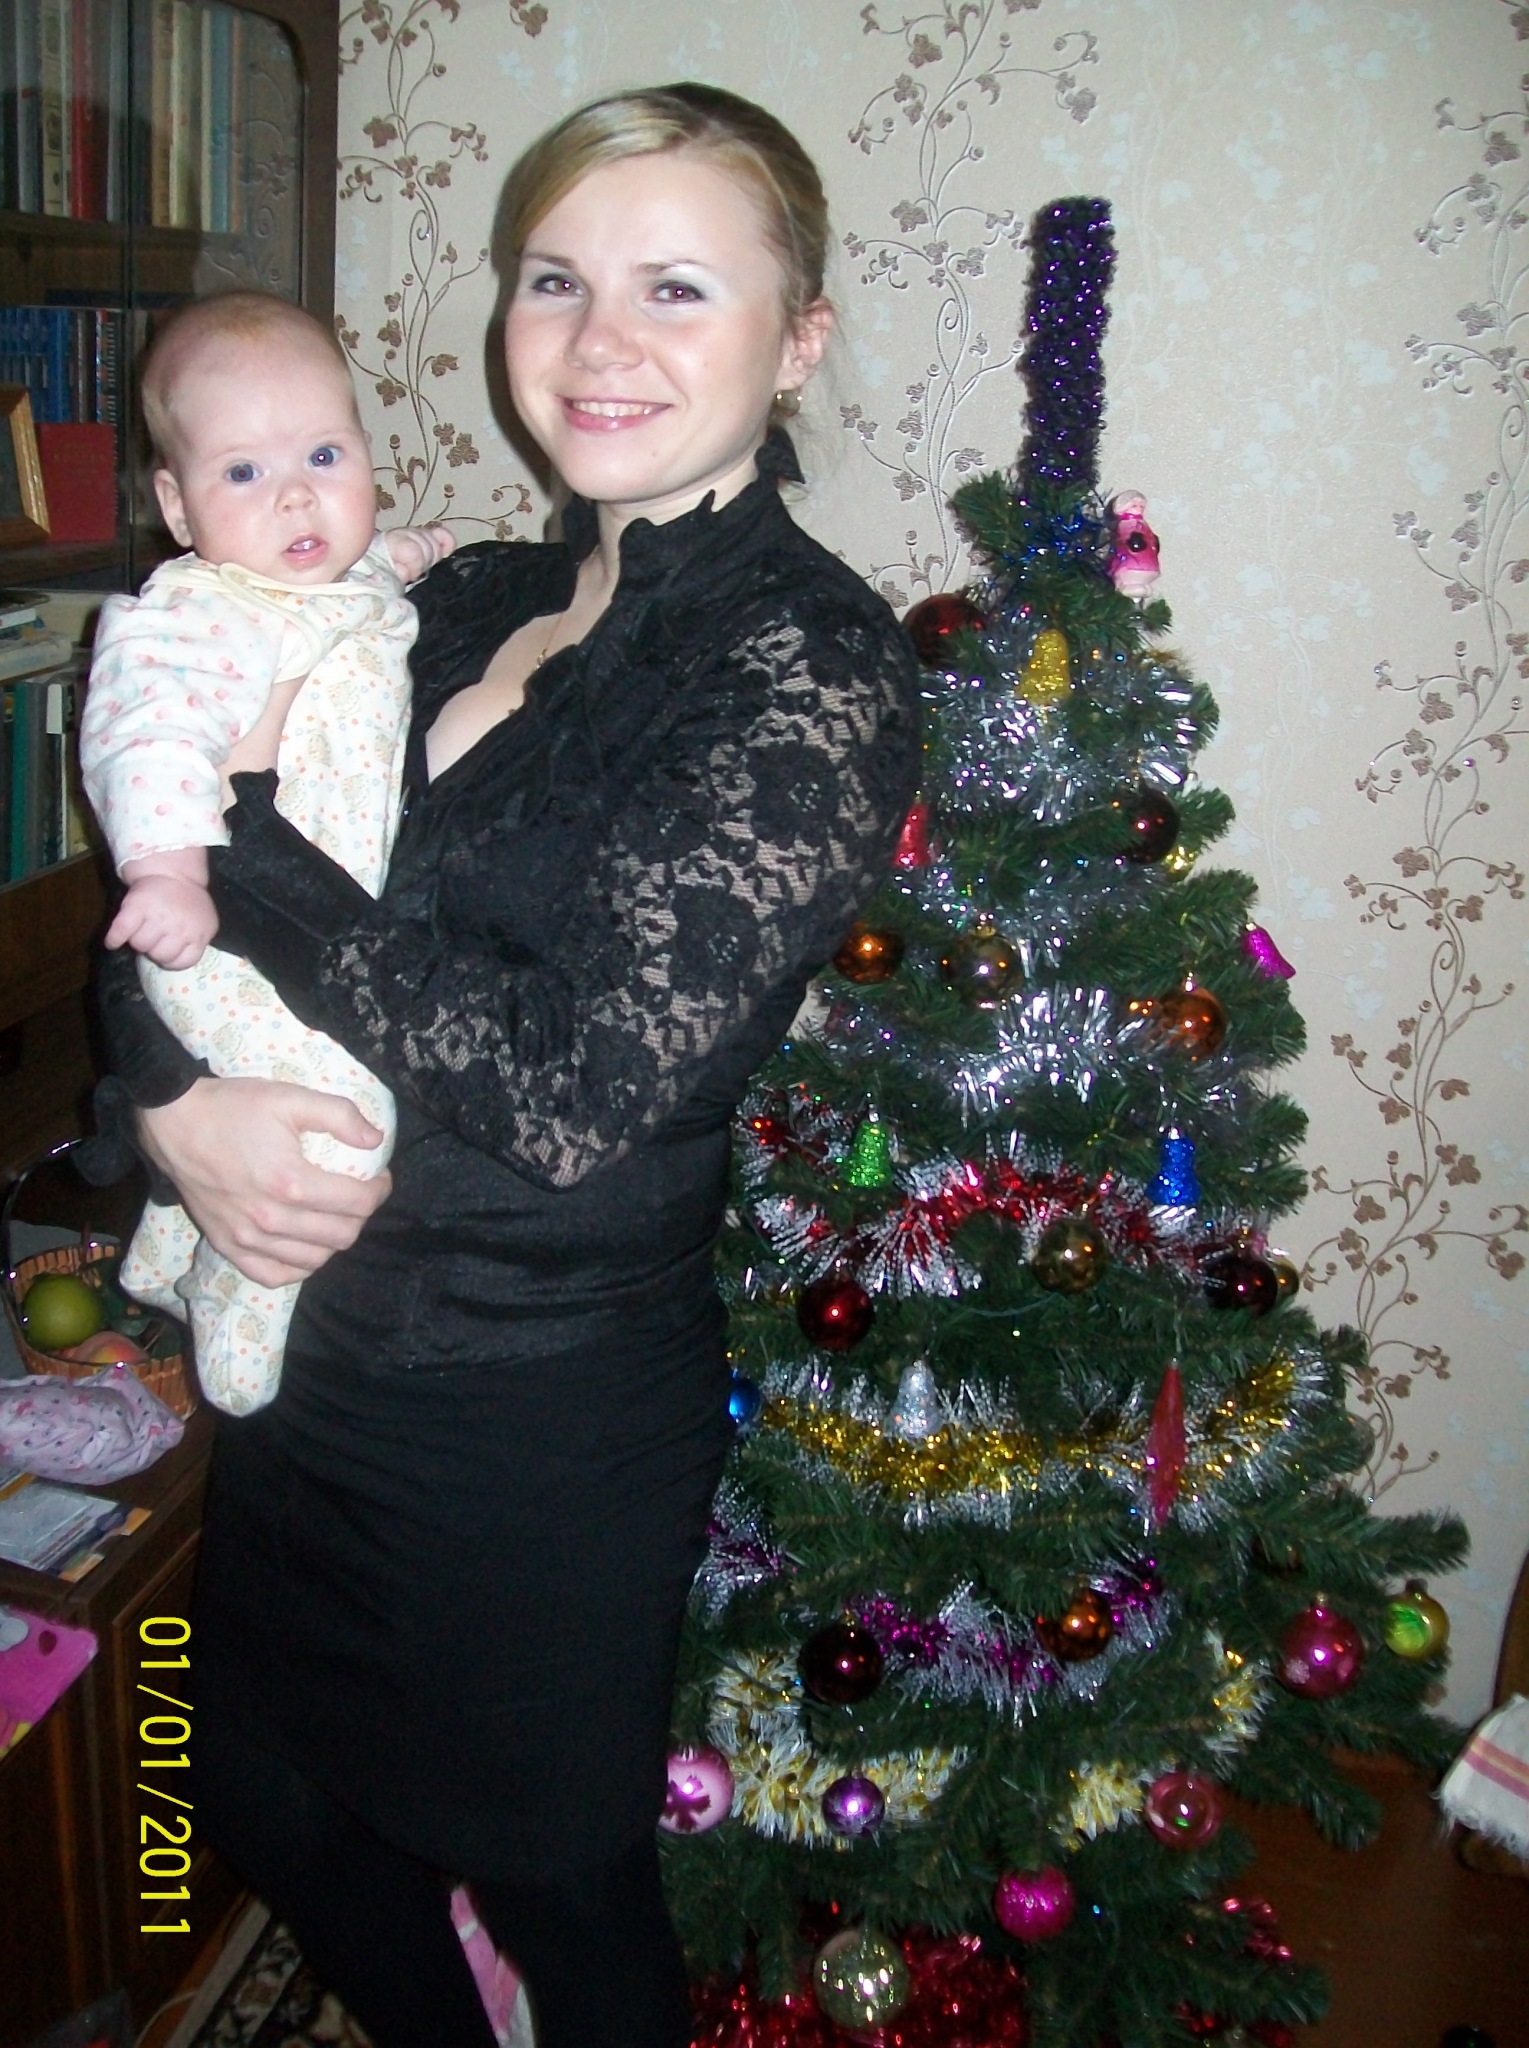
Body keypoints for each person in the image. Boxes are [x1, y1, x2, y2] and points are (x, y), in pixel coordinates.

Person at [93, 83, 922, 2048]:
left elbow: (567, 1086)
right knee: (267, 1798)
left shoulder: (803, 664)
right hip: (306, 1362)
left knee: (560, 1879)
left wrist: (250, 844)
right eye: (555, 279)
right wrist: (172, 1112)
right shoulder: (449, 590)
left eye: (672, 286)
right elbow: (157, 900)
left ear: (794, 339)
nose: (596, 339)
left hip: (525, 1422)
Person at [80, 292, 453, 1415]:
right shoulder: (199, 613)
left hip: (312, 927)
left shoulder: (347, 578)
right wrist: (167, 872)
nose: (295, 495)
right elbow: (142, 736)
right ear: (175, 504)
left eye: (323, 456)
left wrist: (430, 546)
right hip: (221, 937)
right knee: (344, 1113)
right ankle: (240, 1309)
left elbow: (387, 559)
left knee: (262, 1096)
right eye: (242, 471)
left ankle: (165, 1250)